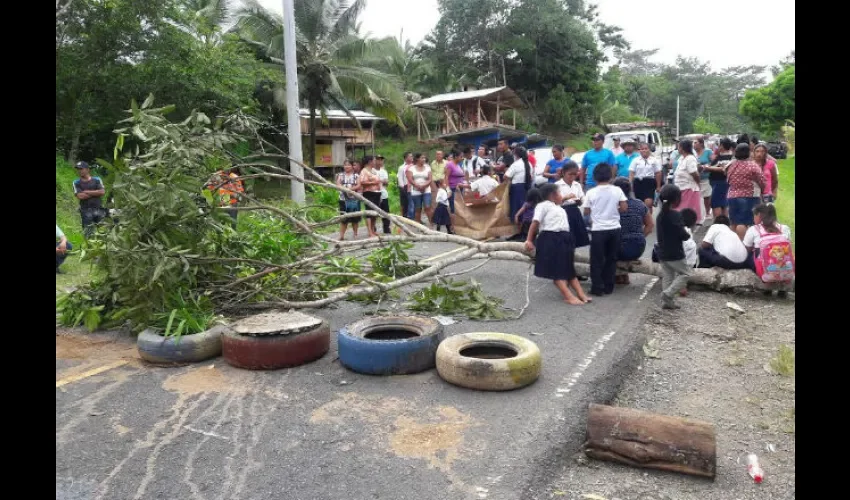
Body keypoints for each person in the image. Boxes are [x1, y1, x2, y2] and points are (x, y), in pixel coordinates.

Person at [524, 183, 592, 306]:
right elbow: (535, 223)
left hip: (565, 238)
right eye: (560, 193)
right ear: (553, 195)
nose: (562, 196)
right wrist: (529, 240)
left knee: (569, 268)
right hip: (550, 238)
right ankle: (568, 296)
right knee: (557, 270)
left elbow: (562, 203)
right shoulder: (543, 205)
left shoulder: (558, 207)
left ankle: (581, 293)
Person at [584, 164, 628, 296]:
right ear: (610, 176)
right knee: (611, 258)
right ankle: (609, 287)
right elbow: (624, 208)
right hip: (615, 228)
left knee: (596, 260)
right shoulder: (617, 190)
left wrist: (596, 213)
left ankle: (597, 287)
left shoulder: (591, 192)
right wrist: (613, 212)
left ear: (595, 177)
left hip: (598, 229)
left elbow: (586, 211)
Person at [655, 184, 692, 309]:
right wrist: (687, 235)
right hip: (675, 253)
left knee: (668, 276)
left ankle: (667, 303)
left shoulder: (660, 216)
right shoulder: (675, 215)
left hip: (662, 252)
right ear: (676, 199)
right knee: (685, 274)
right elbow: (681, 233)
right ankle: (668, 294)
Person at [743, 203, 794, 293]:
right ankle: (782, 288)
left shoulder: (754, 229)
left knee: (747, 256)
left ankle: (767, 286)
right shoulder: (785, 228)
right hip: (785, 267)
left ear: (759, 215)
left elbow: (746, 249)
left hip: (764, 269)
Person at [613, 177, 654, 285]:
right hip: (638, 248)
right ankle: (623, 275)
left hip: (619, 249)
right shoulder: (640, 204)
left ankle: (618, 275)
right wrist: (639, 236)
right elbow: (650, 225)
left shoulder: (613, 206)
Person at [726, 143, 767, 239]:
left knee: (733, 223)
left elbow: (727, 178)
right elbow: (762, 181)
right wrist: (762, 190)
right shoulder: (752, 166)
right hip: (748, 197)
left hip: (732, 196)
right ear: (749, 152)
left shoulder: (731, 165)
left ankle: (733, 245)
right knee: (743, 223)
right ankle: (743, 246)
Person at [555, 162, 589, 249]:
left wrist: (580, 202)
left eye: (575, 174)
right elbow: (555, 202)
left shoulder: (577, 185)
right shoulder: (557, 185)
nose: (572, 177)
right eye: (570, 174)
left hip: (575, 211)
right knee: (565, 237)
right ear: (563, 173)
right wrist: (565, 198)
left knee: (576, 237)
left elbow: (582, 198)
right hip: (563, 211)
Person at [672, 139, 703, 224]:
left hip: (688, 189)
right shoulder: (682, 158)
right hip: (680, 188)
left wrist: (698, 183)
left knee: (686, 213)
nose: (677, 148)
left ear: (682, 148)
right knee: (680, 212)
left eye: (678, 147)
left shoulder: (690, 158)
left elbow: (694, 173)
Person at [73, 161, 107, 238]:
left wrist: (87, 192)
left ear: (88, 169)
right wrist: (96, 193)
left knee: (102, 233)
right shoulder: (76, 182)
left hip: (99, 209)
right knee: (88, 234)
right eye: (78, 169)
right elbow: (80, 196)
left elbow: (102, 192)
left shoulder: (97, 179)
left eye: (81, 169)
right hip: (85, 211)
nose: (79, 171)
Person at [628, 142, 663, 213]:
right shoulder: (635, 160)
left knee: (648, 203)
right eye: (642, 149)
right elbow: (631, 173)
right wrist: (630, 184)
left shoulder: (654, 160)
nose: (644, 150)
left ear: (649, 150)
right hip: (638, 183)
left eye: (646, 149)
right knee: (639, 204)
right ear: (639, 150)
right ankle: (642, 221)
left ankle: (648, 220)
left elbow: (658, 173)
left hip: (649, 183)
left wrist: (658, 186)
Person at [704, 137, 734, 218]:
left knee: (716, 203)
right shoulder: (721, 156)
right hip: (719, 183)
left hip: (720, 183)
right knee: (723, 204)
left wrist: (708, 168)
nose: (718, 147)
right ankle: (724, 223)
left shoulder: (728, 157)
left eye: (719, 145)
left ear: (722, 146)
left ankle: (719, 223)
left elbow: (723, 169)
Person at [504, 146, 534, 223]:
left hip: (516, 189)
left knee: (515, 208)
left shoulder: (516, 164)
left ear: (516, 155)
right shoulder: (529, 164)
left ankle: (516, 228)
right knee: (524, 207)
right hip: (527, 187)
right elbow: (531, 177)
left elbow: (506, 176)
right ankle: (523, 225)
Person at [335, 160, 361, 240]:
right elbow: (338, 184)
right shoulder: (340, 175)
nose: (347, 166)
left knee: (355, 218)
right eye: (345, 165)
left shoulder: (356, 176)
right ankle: (341, 236)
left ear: (352, 166)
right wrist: (345, 189)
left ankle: (355, 234)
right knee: (344, 218)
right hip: (343, 199)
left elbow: (359, 185)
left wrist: (351, 189)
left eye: (349, 165)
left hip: (355, 199)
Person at [358, 156, 383, 237]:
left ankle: (373, 230)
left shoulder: (373, 170)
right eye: (374, 161)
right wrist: (374, 183)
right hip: (369, 193)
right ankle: (369, 231)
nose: (375, 162)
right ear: (369, 162)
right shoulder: (364, 171)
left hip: (377, 192)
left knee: (375, 212)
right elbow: (362, 182)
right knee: (369, 212)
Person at [406, 153, 433, 225]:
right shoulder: (411, 168)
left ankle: (431, 223)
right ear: (417, 159)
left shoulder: (428, 167)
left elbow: (430, 179)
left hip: (426, 190)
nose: (424, 159)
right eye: (422, 158)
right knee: (418, 208)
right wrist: (417, 186)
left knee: (427, 207)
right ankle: (418, 224)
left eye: (424, 158)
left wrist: (424, 186)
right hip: (415, 190)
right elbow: (410, 179)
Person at [694, 137, 713, 219]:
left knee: (706, 196)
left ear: (701, 143)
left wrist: (706, 166)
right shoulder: (692, 153)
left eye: (696, 142)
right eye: (693, 143)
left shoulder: (708, 152)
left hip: (706, 177)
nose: (694, 144)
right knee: (696, 196)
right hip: (695, 178)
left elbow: (713, 162)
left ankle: (707, 212)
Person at [375, 155, 392, 234]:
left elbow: (386, 182)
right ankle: (373, 229)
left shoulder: (384, 171)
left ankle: (386, 228)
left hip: (384, 194)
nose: (380, 161)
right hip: (374, 194)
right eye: (378, 159)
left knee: (386, 212)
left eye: (381, 160)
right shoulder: (371, 171)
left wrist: (380, 181)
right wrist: (381, 181)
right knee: (374, 213)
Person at [397, 152, 413, 219]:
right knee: (405, 203)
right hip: (405, 186)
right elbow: (400, 178)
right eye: (410, 156)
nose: (412, 157)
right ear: (406, 158)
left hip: (414, 186)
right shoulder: (401, 167)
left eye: (412, 156)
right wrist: (402, 187)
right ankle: (405, 216)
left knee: (412, 202)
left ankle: (413, 216)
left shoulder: (414, 165)